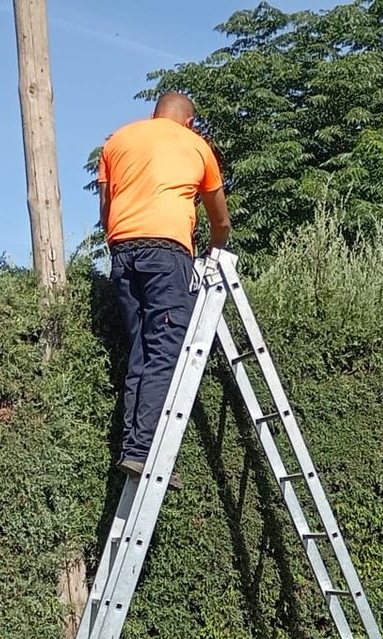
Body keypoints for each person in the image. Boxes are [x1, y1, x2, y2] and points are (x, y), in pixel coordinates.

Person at [96, 92, 232, 476]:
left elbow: (106, 208)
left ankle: (131, 447)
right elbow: (220, 220)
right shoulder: (196, 145)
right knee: (167, 351)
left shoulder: (117, 140)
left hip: (123, 254)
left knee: (141, 350)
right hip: (166, 253)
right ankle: (142, 451)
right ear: (188, 121)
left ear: (154, 114)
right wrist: (212, 253)